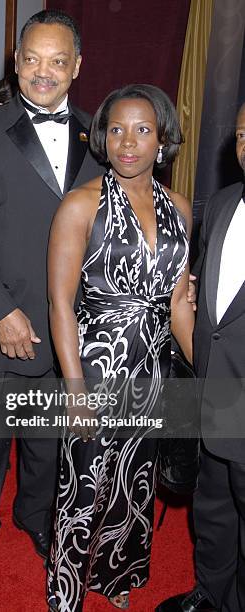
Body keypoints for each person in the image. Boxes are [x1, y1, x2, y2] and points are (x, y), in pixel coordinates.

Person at [0, 9, 102, 560]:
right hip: (5, 325)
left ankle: (35, 518)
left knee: (47, 444)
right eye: (31, 59)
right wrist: (0, 312)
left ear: (77, 66)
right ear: (16, 61)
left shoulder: (102, 135)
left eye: (57, 61)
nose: (43, 72)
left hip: (75, 328)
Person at [46, 84, 195, 611]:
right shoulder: (80, 204)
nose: (127, 142)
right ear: (102, 139)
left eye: (142, 130)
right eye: (116, 129)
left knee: (135, 479)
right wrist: (75, 390)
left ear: (163, 140)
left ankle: (115, 575)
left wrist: (204, 372)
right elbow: (61, 304)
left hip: (154, 365)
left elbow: (178, 300)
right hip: (97, 362)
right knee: (83, 483)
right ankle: (66, 591)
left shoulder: (179, 208)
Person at [156, 103, 245, 612]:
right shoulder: (226, 202)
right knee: (212, 511)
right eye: (240, 134)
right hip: (216, 393)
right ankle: (211, 594)